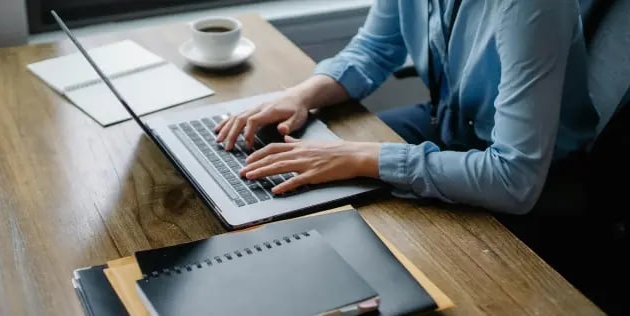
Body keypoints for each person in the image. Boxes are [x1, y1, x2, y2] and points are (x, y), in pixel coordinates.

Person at [214, 0, 599, 215]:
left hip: (534, 180)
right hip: (448, 126)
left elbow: (514, 179)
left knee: (367, 218)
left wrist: (361, 157)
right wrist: (302, 94)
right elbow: (376, 48)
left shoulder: (532, 7)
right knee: (295, 180)